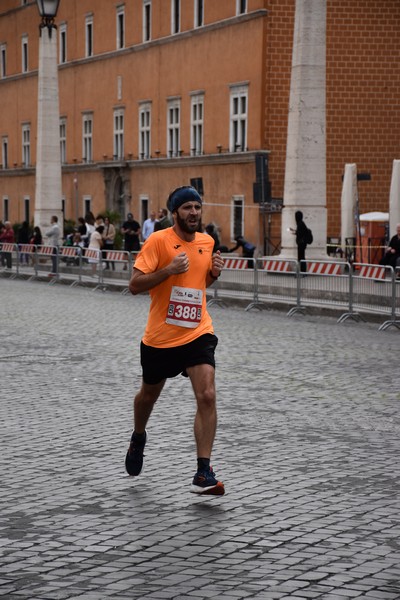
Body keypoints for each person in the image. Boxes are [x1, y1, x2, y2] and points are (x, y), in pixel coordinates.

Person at [125, 185, 225, 496]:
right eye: (187, 208)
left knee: (207, 395)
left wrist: (214, 274)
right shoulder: (158, 241)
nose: (194, 213)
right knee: (147, 397)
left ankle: (203, 471)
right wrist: (168, 270)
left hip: (197, 331)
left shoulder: (208, 242)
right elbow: (135, 285)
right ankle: (139, 435)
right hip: (161, 337)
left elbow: (199, 282)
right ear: (175, 213)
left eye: (197, 207)